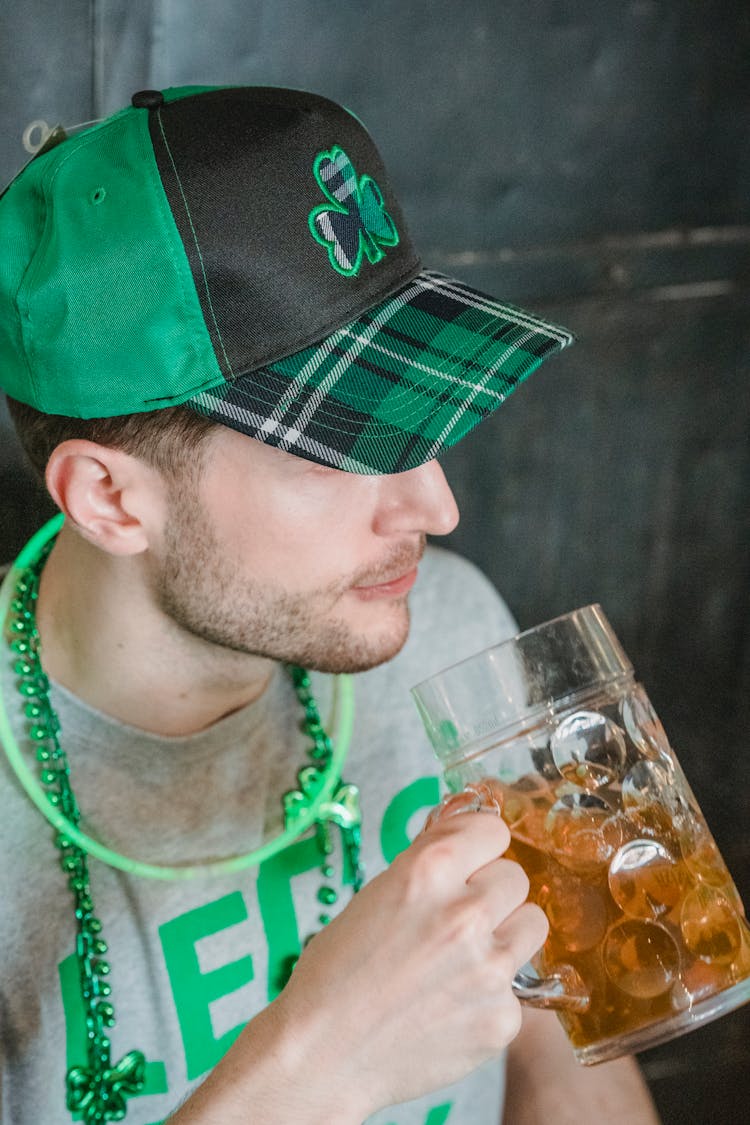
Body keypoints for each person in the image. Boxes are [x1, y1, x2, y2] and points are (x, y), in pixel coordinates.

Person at [0, 85, 660, 1124]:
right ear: (112, 498)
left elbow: (567, 1052)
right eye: (340, 449)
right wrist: (316, 1068)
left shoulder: (446, 630)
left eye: (419, 418)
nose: (437, 505)